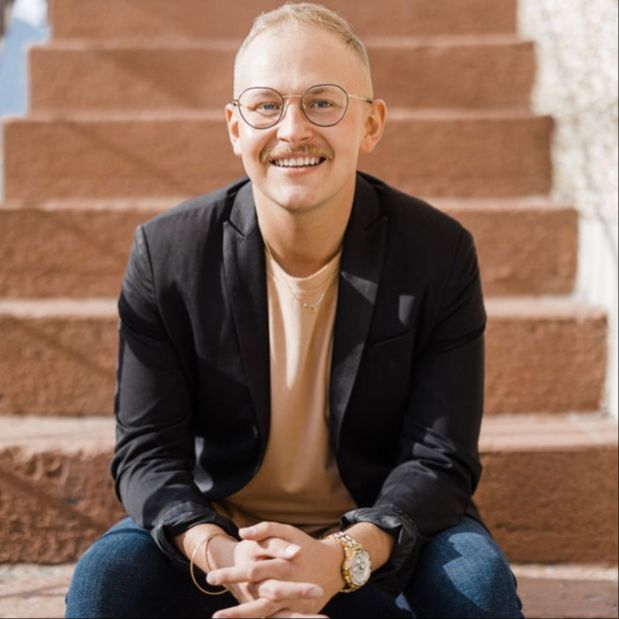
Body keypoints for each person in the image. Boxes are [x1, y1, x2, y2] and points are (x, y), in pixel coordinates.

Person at [66, 3, 523, 618]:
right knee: (105, 583)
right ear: (235, 127)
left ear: (371, 124)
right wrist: (223, 556)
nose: (292, 130)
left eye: (322, 102)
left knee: (478, 590)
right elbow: (145, 451)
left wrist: (340, 557)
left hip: (379, 537)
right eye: (265, 105)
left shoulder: (438, 253)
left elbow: (440, 460)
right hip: (221, 536)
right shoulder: (168, 253)